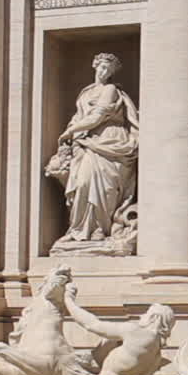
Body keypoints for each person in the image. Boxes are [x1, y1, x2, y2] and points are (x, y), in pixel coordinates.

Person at [52, 53, 139, 247]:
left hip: (109, 139)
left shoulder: (110, 90)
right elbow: (80, 116)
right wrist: (73, 131)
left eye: (109, 69)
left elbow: (97, 117)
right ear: (95, 66)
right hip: (87, 141)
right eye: (102, 67)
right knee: (82, 183)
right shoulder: (85, 93)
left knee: (106, 188)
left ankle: (100, 229)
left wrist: (70, 131)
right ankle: (78, 229)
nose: (105, 72)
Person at [64, 284, 174, 375]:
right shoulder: (156, 353)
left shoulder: (136, 332)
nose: (141, 316)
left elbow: (92, 324)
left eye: (146, 314)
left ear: (154, 318)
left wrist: (69, 301)